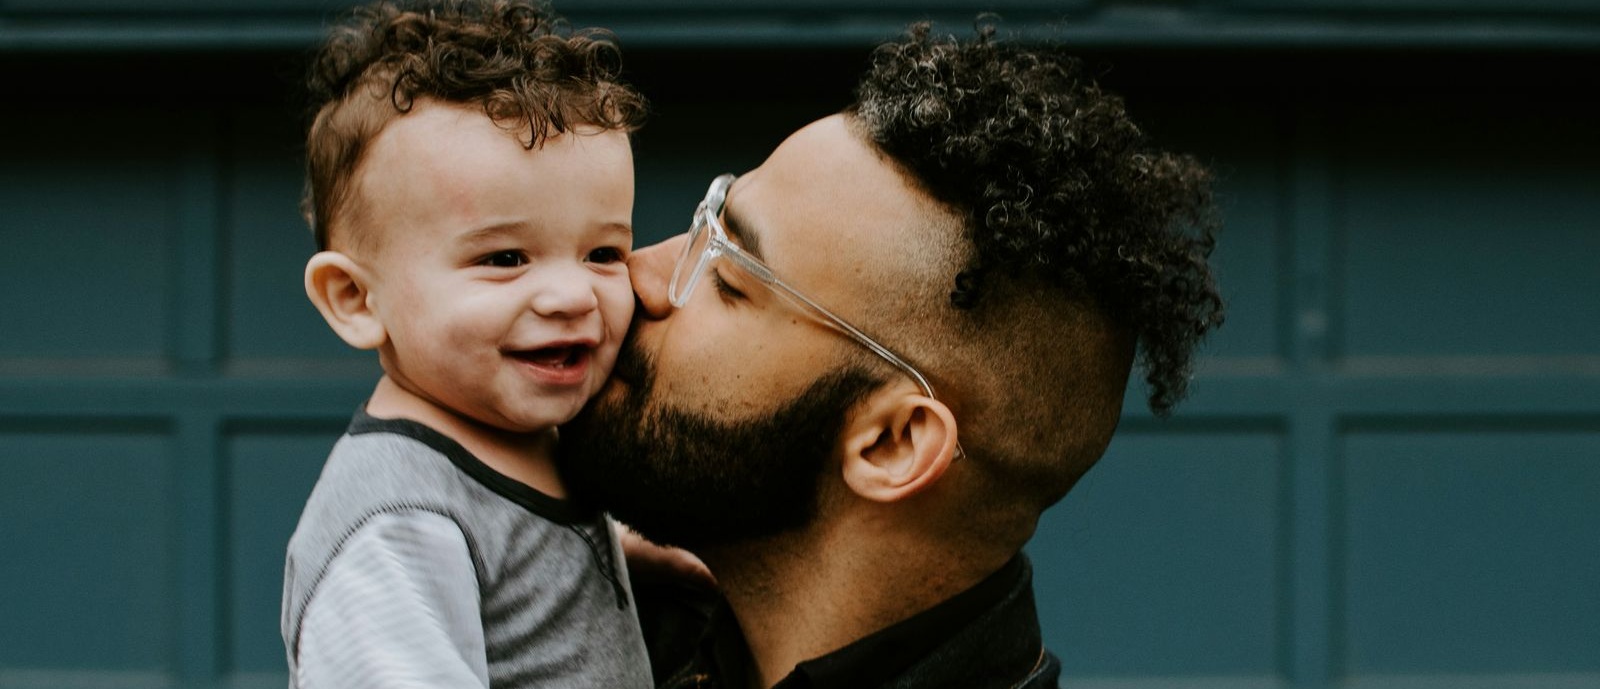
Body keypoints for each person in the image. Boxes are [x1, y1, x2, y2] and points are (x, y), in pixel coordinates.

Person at [557, 21, 1224, 689]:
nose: (637, 274)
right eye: (708, 221)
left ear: (893, 442)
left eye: (730, 280)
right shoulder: (578, 604)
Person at [279, 1, 653, 687]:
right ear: (357, 299)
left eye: (603, 251)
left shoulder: (527, 436)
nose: (572, 295)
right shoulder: (396, 529)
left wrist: (633, 555)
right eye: (506, 258)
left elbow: (522, 552)